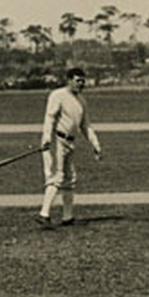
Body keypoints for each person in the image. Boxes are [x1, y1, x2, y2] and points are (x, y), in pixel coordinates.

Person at [35, 67, 103, 228]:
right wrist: (46, 139)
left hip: (70, 143)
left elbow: (85, 126)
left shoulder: (81, 101)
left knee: (70, 179)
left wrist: (96, 144)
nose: (81, 83)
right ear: (69, 80)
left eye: (83, 80)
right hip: (55, 141)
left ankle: (68, 217)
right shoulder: (57, 95)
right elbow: (50, 118)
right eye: (78, 80)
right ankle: (44, 214)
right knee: (56, 177)